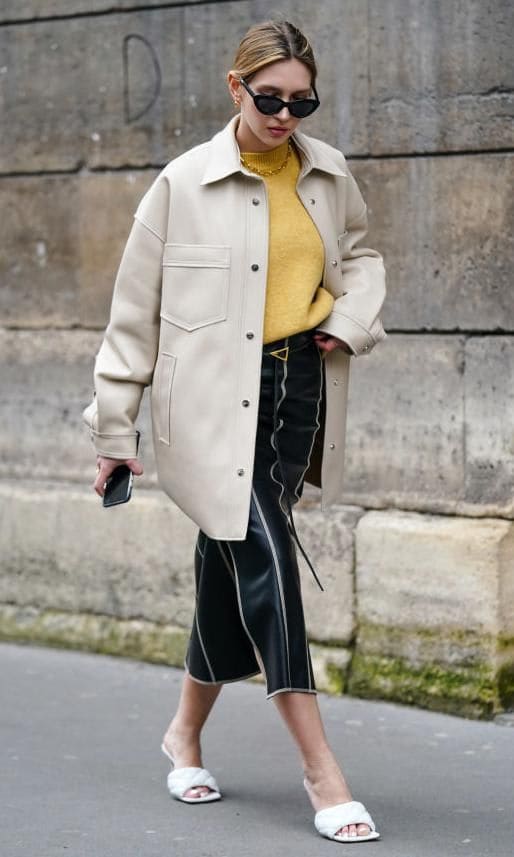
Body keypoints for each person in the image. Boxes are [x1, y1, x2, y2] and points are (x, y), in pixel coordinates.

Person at [83, 19, 387, 844]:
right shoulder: (181, 186)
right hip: (210, 410)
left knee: (233, 569)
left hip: (296, 394)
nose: (286, 116)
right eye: (270, 99)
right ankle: (322, 770)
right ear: (234, 87)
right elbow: (131, 320)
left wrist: (350, 320)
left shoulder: (326, 174)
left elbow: (359, 258)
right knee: (267, 557)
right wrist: (115, 432)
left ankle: (182, 733)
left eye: (302, 101)